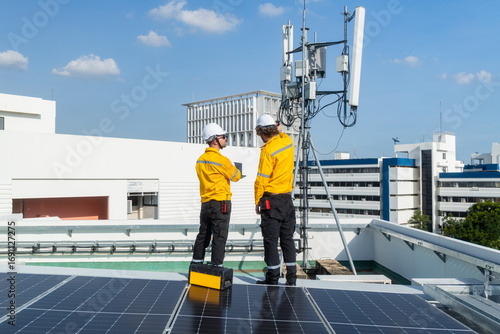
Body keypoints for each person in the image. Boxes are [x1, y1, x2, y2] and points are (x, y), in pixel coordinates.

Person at [254, 114, 297, 286]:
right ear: (276, 128)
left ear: (261, 132)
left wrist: (258, 200)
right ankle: (292, 279)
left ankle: (273, 279)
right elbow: (283, 133)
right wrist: (279, 128)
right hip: (287, 200)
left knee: (271, 241)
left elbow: (261, 179)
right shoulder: (287, 142)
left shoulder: (268, 151)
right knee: (287, 239)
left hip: (271, 202)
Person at [192, 123, 241, 267]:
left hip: (205, 204)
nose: (225, 139)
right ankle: (216, 269)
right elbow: (236, 176)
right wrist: (234, 168)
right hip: (221, 204)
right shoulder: (222, 160)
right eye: (223, 137)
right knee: (219, 237)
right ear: (215, 140)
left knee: (203, 236)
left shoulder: (200, 160)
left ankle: (196, 266)